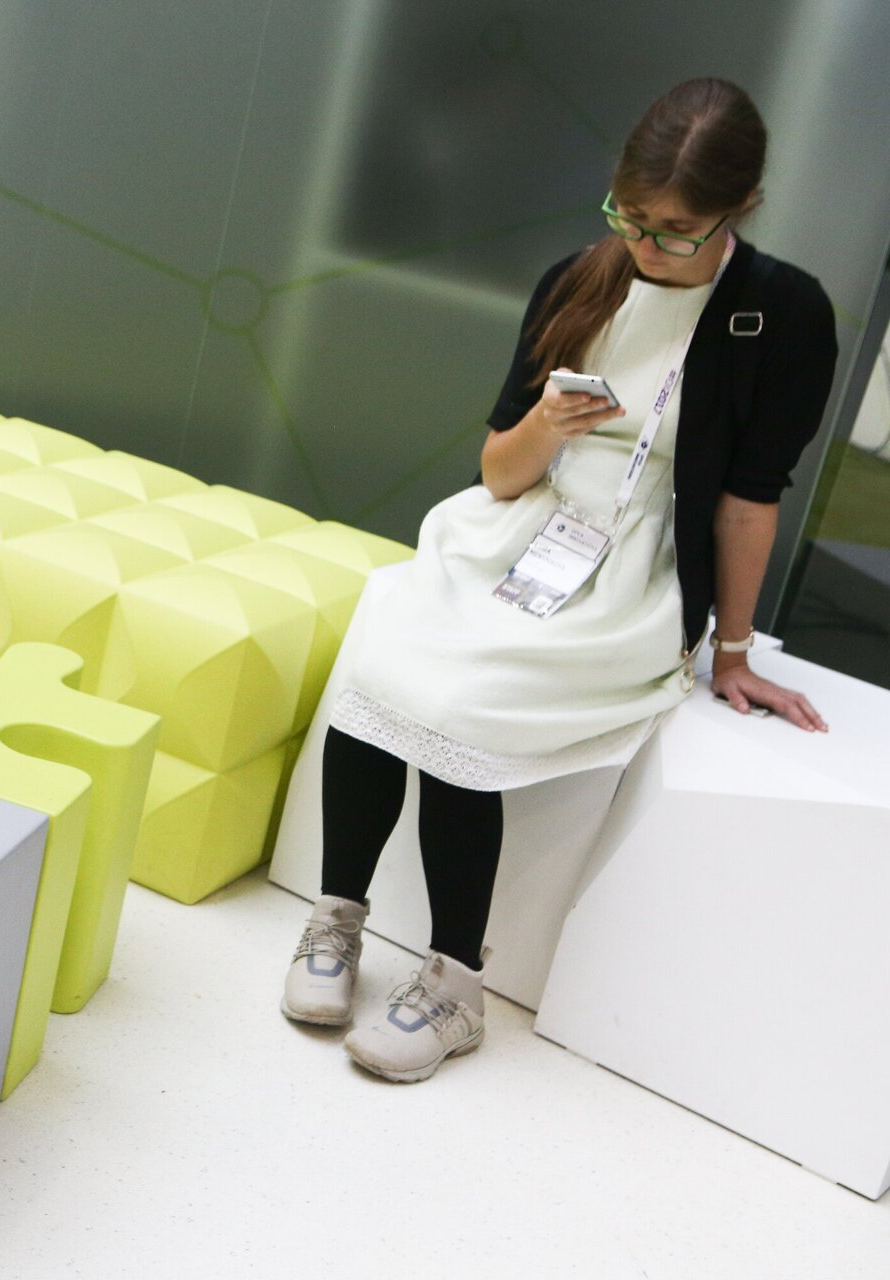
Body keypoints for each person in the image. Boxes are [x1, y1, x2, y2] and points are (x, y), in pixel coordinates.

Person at [280, 78, 837, 1082]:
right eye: (629, 215)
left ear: (740, 207)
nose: (647, 245)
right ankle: (337, 916)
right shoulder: (578, 280)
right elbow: (498, 473)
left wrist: (733, 650)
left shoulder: (783, 312)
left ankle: (454, 985)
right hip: (522, 525)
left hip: (641, 561)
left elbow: (750, 500)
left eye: (676, 231)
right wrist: (545, 422)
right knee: (383, 658)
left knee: (469, 700)